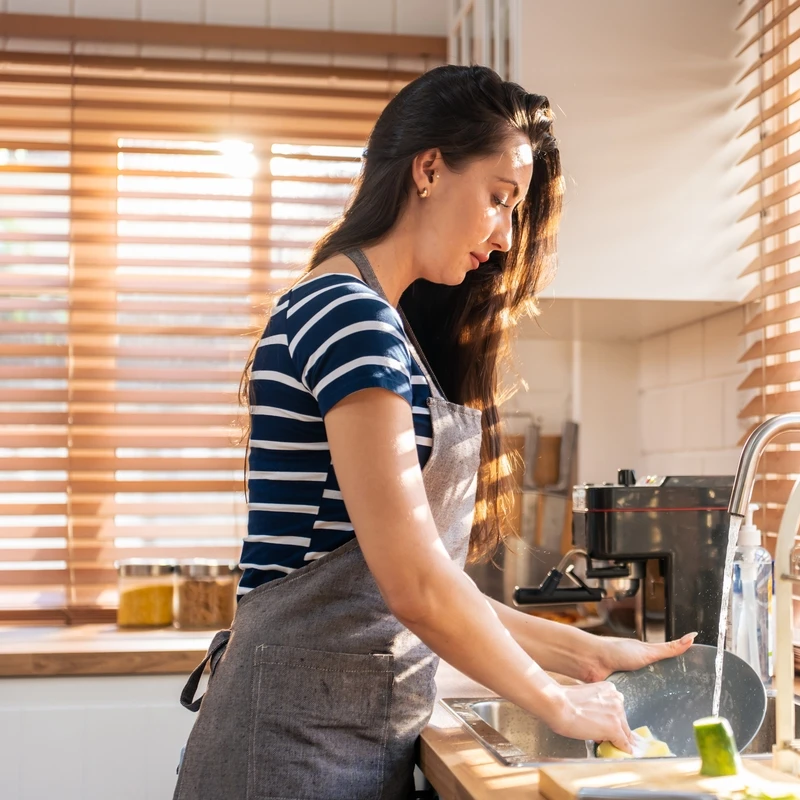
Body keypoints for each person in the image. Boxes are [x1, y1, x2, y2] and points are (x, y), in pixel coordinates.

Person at [172, 64, 695, 799]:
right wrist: (557, 703)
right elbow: (414, 586)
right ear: (428, 169)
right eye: (499, 200)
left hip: (342, 743)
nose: (507, 236)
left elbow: (408, 582)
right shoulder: (351, 318)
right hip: (287, 756)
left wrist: (579, 653)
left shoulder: (376, 320)